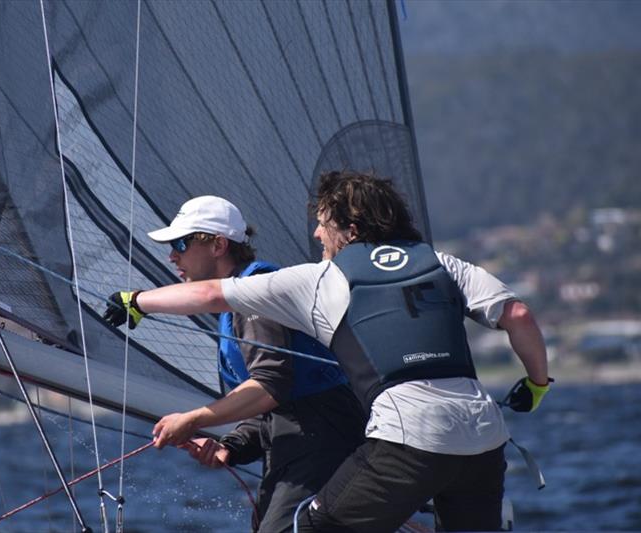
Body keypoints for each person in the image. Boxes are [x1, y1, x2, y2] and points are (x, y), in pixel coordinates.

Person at [111, 172, 552, 532]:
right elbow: (517, 314)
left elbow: (210, 296)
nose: (317, 232)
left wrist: (137, 301)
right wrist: (536, 385)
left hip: (405, 435)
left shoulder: (322, 279)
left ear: (351, 230)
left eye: (323, 222)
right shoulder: (443, 263)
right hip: (485, 436)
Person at [104, 195, 366, 533]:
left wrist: (194, 418)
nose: (172, 256)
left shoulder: (255, 292)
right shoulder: (237, 304)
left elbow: (272, 386)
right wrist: (231, 446)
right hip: (299, 441)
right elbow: (275, 407)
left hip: (324, 437)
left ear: (218, 245)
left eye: (181, 244)